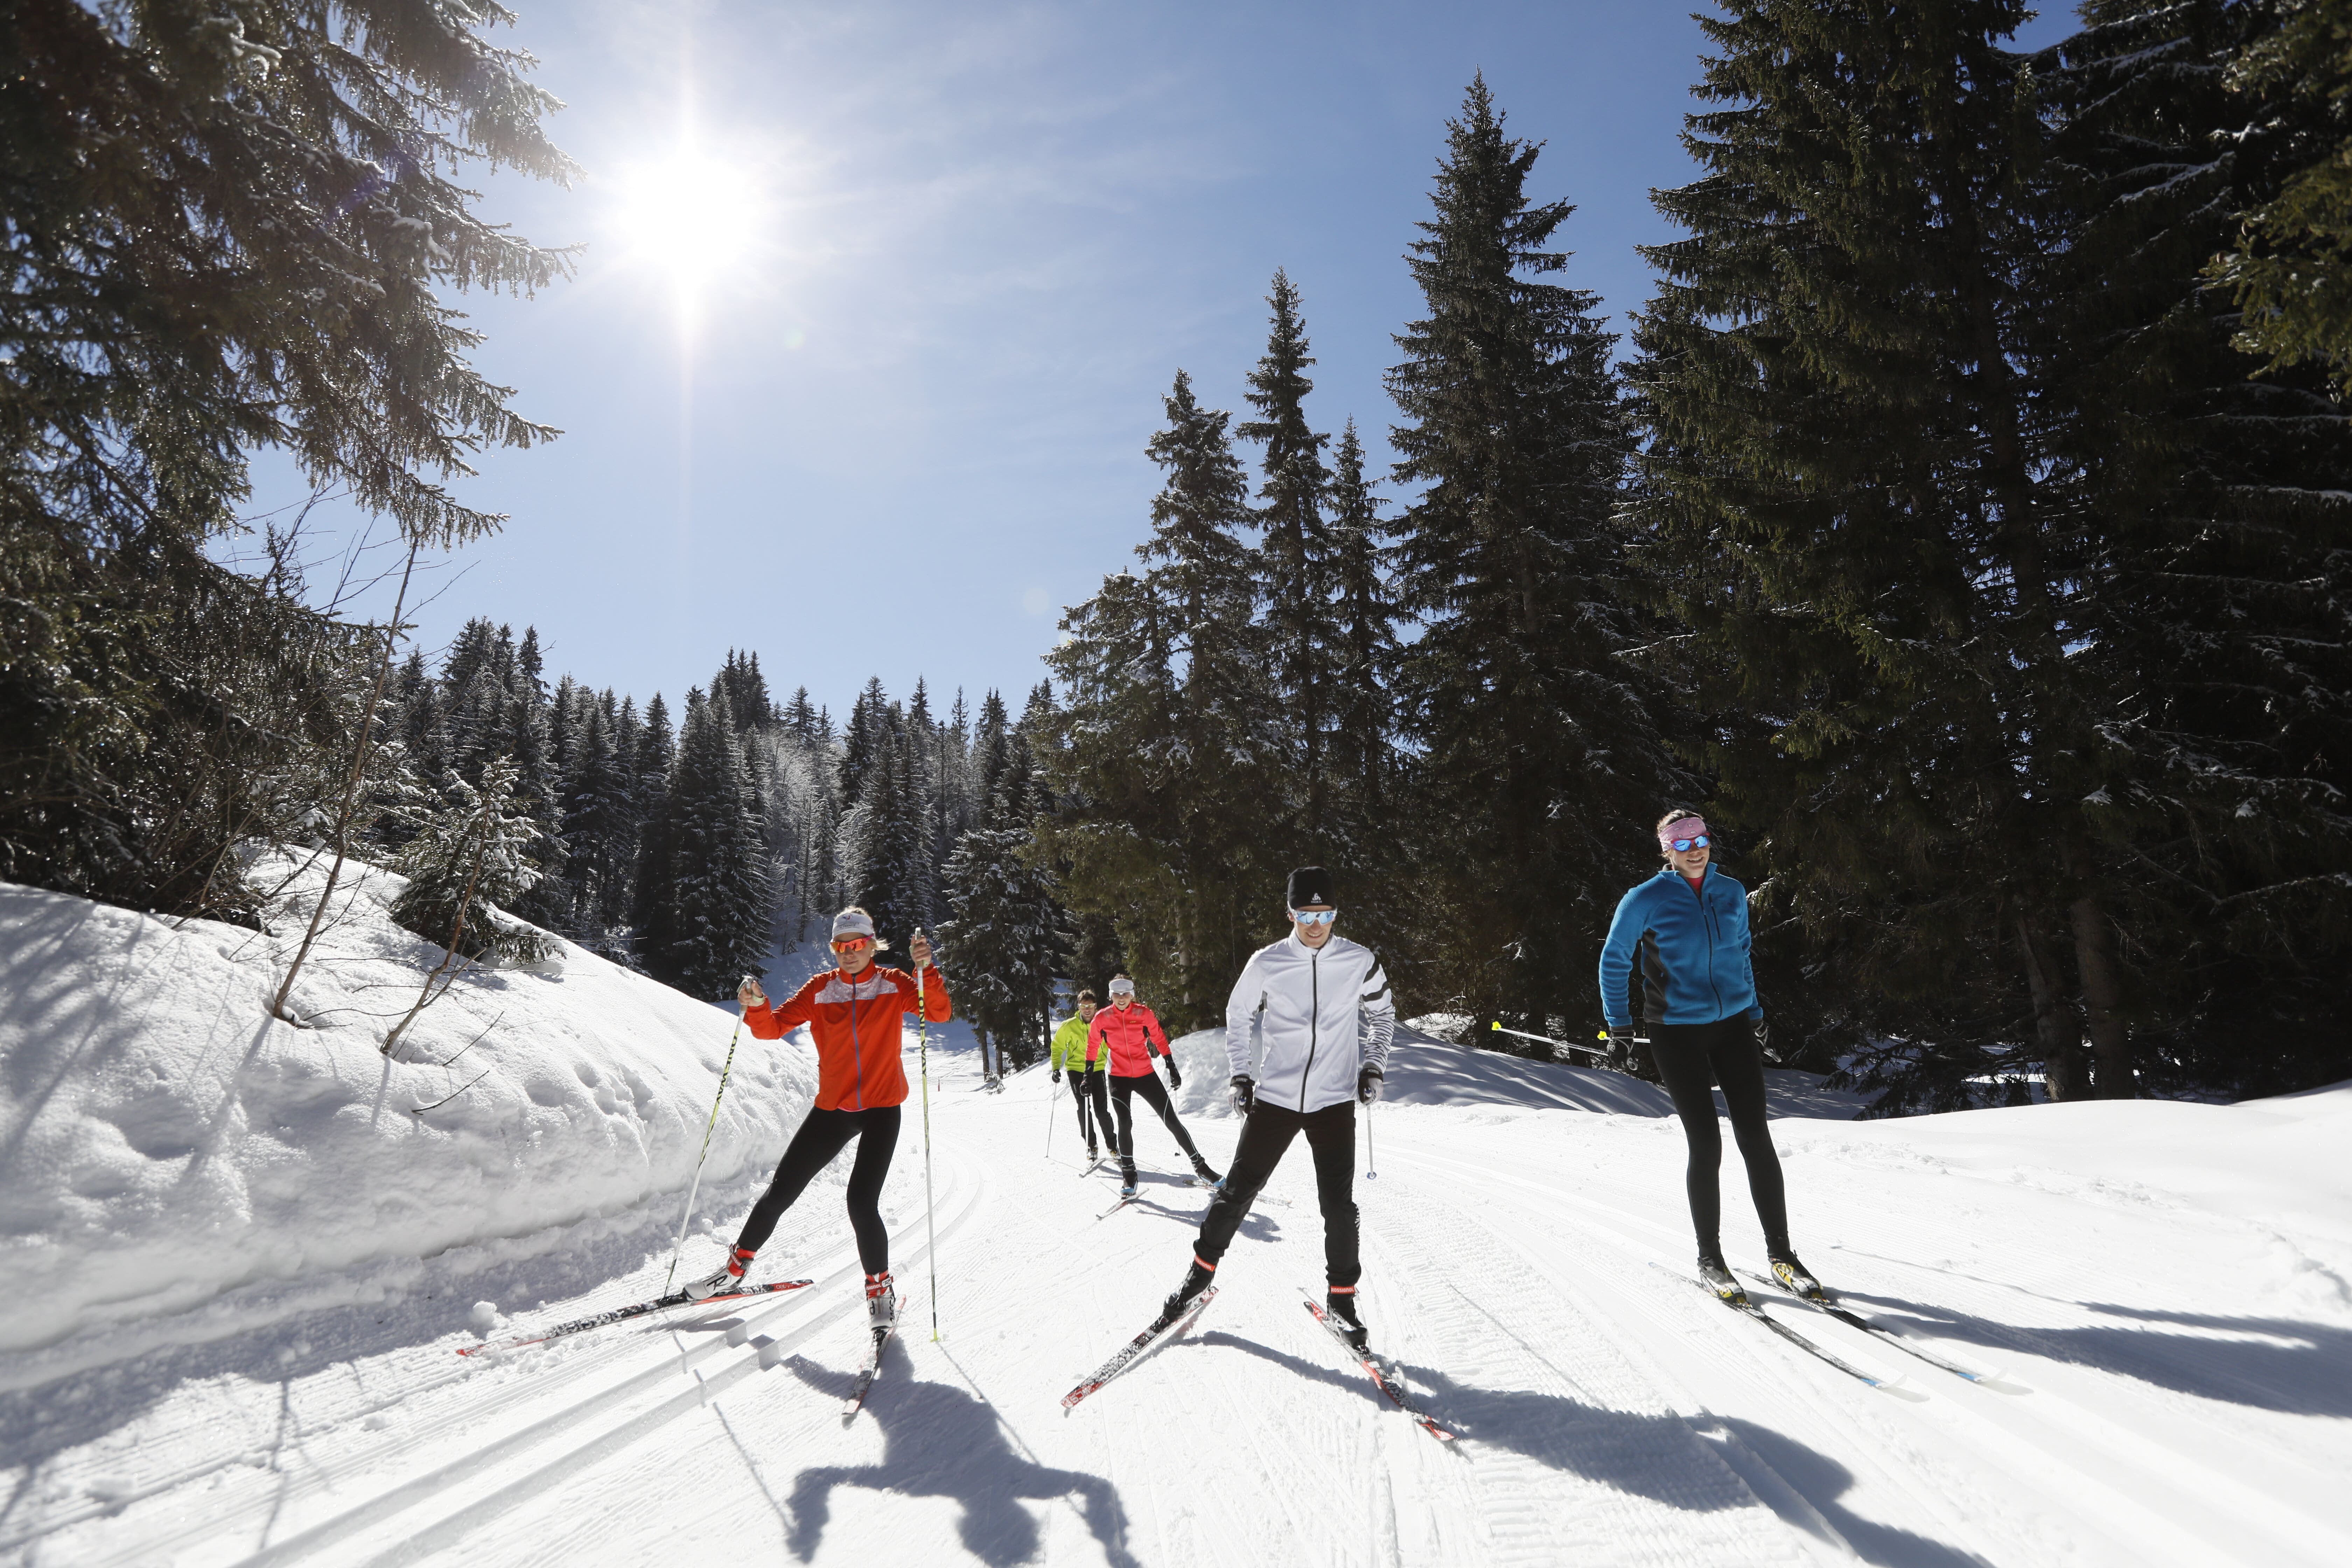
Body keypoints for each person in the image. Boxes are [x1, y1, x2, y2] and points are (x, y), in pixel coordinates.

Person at [1153, 867, 1393, 1349]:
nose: (1316, 924)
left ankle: (1343, 1300)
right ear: (1291, 913)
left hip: (1332, 1102)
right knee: (1237, 1192)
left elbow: (1383, 1012)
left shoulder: (1359, 961)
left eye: (1326, 914)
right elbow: (1238, 1014)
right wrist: (1241, 1074)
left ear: (1336, 914)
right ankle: (1196, 1280)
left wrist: (1373, 1067)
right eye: (1306, 914)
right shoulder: (1269, 962)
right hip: (1278, 1099)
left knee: (1339, 1207)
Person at [681, 907, 952, 1331]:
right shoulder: (821, 990)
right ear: (833, 949)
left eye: (859, 944)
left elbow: (938, 1013)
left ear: (872, 944)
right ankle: (732, 1271)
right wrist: (756, 1006)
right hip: (834, 1109)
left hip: (882, 1108)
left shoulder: (895, 983)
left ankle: (880, 1291)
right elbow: (771, 1028)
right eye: (842, 946)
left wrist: (926, 971)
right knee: (780, 1191)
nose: (850, 952)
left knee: (861, 1202)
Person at [1597, 810, 1818, 1304]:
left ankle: (1782, 1254)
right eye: (1682, 842)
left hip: (1733, 1026)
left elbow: (1741, 953)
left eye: (1701, 839)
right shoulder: (1645, 899)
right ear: (1667, 850)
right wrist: (1620, 1025)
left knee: (1756, 1137)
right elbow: (1614, 958)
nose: (1695, 848)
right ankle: (1710, 1258)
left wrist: (1756, 1013)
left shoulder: (1731, 891)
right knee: (1707, 1144)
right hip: (1675, 1032)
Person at [1088, 975, 1222, 1197]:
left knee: (1171, 1119)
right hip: (1118, 1077)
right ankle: (1129, 1173)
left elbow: (1159, 1038)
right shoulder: (1102, 1019)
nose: (1122, 998)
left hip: (1145, 1074)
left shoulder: (1144, 1014)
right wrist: (1087, 1076)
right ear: (1110, 996)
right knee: (1125, 1122)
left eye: (1126, 993)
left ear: (1132, 994)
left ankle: (1201, 1167)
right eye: (1117, 994)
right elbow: (1093, 1046)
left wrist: (1171, 1066)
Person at [1049, 989, 1112, 1161]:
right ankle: (1091, 1145)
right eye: (1084, 1006)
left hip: (1097, 1068)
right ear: (1079, 1007)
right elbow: (1057, 1047)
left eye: (1090, 1006)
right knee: (1084, 1107)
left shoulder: (1103, 1025)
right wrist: (1056, 1068)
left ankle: (1113, 1146)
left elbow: (1115, 1042)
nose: (1087, 1010)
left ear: (1095, 1007)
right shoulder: (1069, 1026)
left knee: (1101, 1110)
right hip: (1076, 1070)